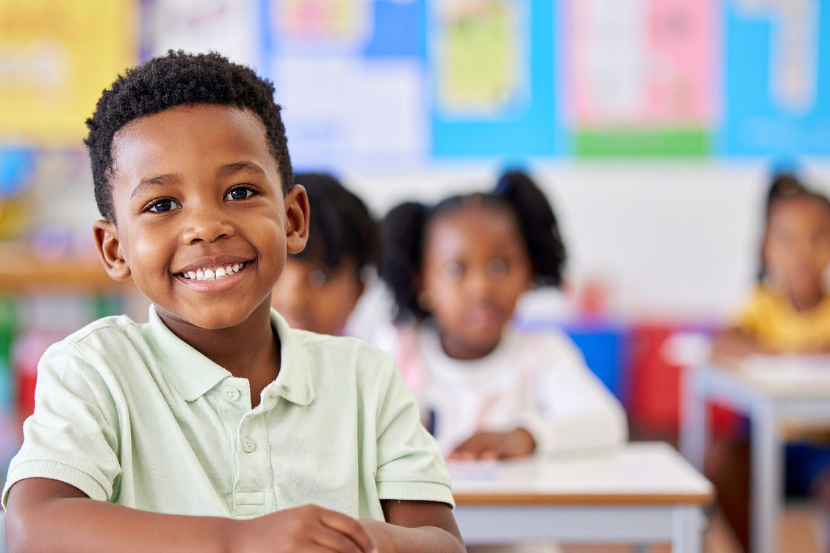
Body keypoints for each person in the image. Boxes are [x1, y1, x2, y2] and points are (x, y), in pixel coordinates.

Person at [3, 51, 465, 553]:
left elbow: (440, 542)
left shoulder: (365, 380)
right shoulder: (93, 371)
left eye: (240, 191)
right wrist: (241, 540)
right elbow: (35, 527)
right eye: (162, 205)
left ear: (293, 219)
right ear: (116, 250)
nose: (205, 226)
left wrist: (344, 541)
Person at [378, 170, 627, 460]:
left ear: (529, 271)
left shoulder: (541, 354)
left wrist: (526, 436)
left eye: (500, 266)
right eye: (457, 270)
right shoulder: (397, 352)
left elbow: (607, 422)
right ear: (421, 281)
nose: (481, 288)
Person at [709, 174, 830, 551]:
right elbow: (724, 344)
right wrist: (780, 353)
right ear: (767, 250)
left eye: (817, 238)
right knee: (719, 464)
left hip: (822, 448)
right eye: (787, 239)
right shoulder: (763, 303)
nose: (801, 253)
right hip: (765, 442)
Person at [271, 172, 379, 336]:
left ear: (358, 292)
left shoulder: (372, 360)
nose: (293, 299)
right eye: (272, 271)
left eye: (320, 277)